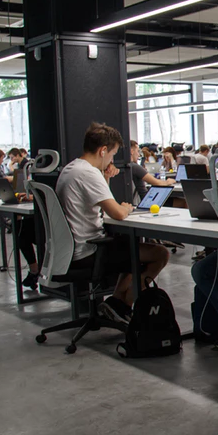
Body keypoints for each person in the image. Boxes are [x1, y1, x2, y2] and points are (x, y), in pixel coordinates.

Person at [56, 123, 171, 324]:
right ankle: (123, 303)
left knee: (128, 245)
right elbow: (117, 213)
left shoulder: (72, 168)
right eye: (112, 154)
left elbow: (97, 201)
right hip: (88, 250)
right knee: (160, 253)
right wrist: (126, 208)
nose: (111, 160)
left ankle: (116, 303)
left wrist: (106, 178)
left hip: (72, 249)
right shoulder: (88, 173)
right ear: (102, 151)